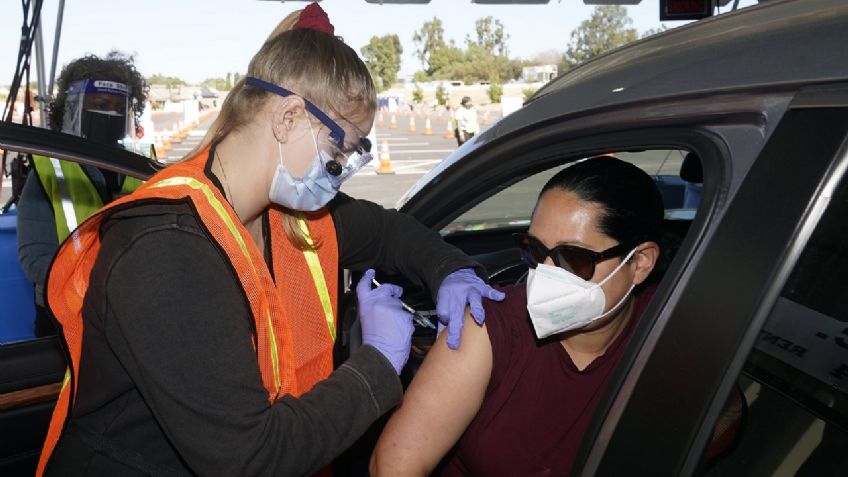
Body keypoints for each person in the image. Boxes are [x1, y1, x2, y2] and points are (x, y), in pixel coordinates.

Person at [36, 3, 503, 476]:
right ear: (288, 118)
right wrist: (377, 364)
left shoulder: (295, 216)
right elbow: (249, 459)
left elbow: (388, 233)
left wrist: (452, 271)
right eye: (340, 146)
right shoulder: (166, 249)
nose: (341, 170)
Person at [371, 157, 664, 476]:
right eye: (536, 250)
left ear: (640, 263)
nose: (546, 273)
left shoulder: (673, 326)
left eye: (574, 259)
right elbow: (393, 467)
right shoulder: (491, 324)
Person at [16, 51, 147, 337]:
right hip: (64, 316)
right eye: (99, 105)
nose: (109, 114)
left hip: (130, 316)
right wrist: (106, 282)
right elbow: (35, 258)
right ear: (72, 109)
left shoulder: (141, 166)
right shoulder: (48, 168)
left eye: (117, 106)